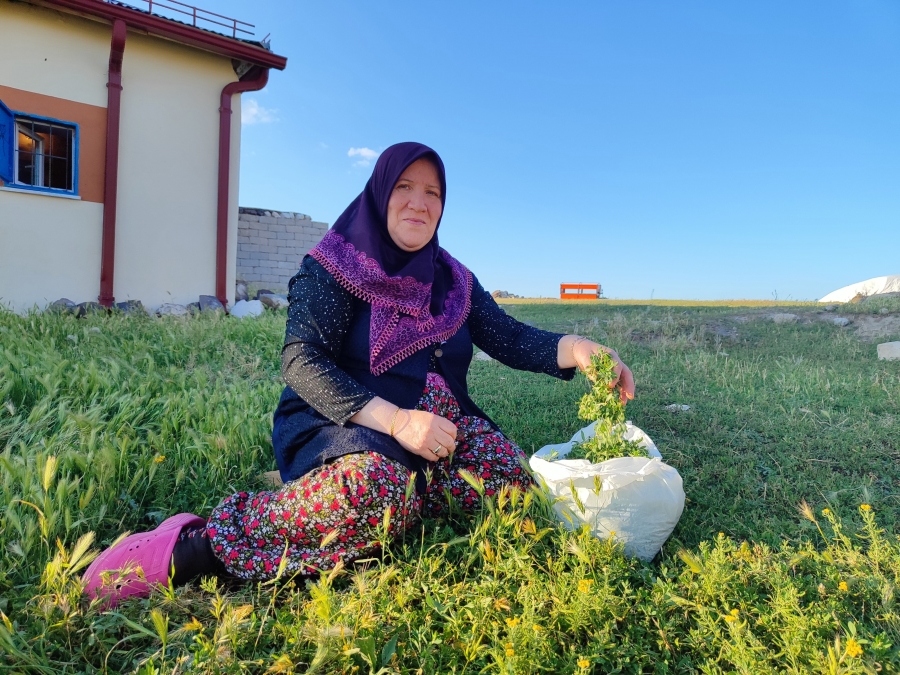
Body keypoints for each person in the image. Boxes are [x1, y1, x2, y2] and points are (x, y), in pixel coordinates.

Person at [83, 142, 635, 606]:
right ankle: (195, 545)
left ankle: (405, 491)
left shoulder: (454, 279)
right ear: (380, 192)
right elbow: (301, 360)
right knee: (378, 497)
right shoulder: (336, 265)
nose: (419, 203)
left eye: (433, 192)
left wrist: (584, 348)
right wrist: (397, 422)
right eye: (404, 187)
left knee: (513, 493)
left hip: (438, 427)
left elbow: (511, 337)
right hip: (344, 418)